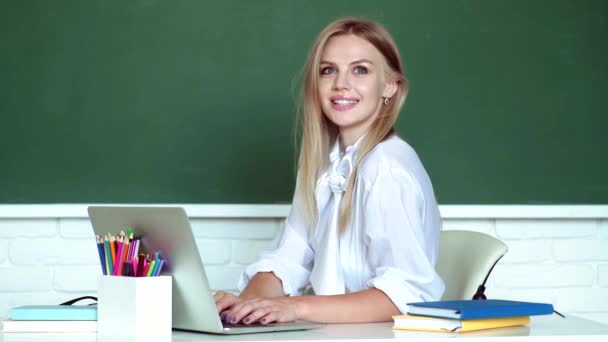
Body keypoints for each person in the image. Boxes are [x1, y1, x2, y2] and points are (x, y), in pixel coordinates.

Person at [214, 17, 444, 325]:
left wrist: (296, 307)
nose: (341, 84)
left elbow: (404, 296)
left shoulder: (386, 169)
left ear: (390, 86)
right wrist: (243, 305)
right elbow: (287, 259)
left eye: (360, 70)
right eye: (328, 70)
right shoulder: (323, 166)